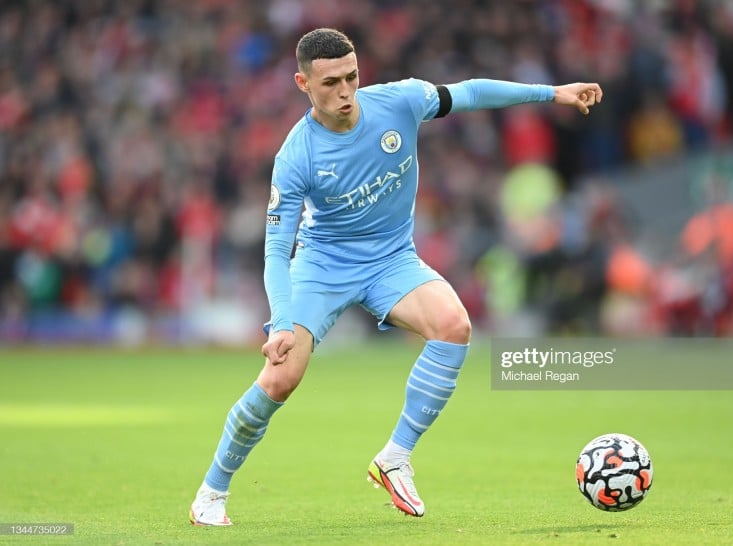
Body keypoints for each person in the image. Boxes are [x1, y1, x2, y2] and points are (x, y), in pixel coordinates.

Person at [189, 27, 603, 526]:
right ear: (302, 83)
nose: (345, 92)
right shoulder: (296, 154)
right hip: (323, 267)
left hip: (391, 260)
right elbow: (277, 248)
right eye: (330, 84)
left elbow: (469, 92)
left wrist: (552, 93)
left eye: (352, 77)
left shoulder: (400, 101)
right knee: (281, 378)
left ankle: (395, 458)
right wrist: (280, 321)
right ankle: (211, 493)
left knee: (454, 326)